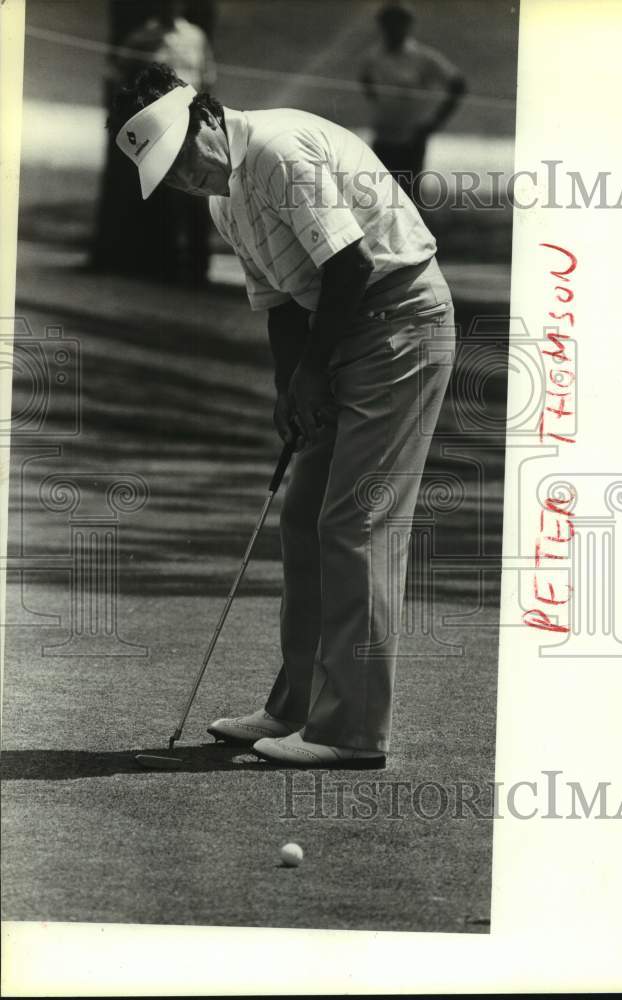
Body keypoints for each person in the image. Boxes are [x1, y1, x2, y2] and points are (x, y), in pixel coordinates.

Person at [109, 64, 456, 769]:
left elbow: (353, 265)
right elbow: (277, 305)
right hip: (341, 332)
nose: (183, 179)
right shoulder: (224, 200)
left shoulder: (275, 149)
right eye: (167, 175)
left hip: (399, 324)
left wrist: (311, 373)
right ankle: (298, 705)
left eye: (182, 158)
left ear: (206, 117)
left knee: (354, 521)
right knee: (305, 516)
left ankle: (351, 730)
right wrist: (287, 390)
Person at [93, 1, 216, 284]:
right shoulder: (143, 36)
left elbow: (208, 76)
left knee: (197, 193)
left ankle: (199, 266)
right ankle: (169, 264)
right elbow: (116, 73)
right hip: (159, 126)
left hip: (190, 122)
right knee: (167, 195)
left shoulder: (195, 36)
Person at [360, 1, 467, 203]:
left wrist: (434, 122)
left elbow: (458, 84)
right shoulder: (373, 57)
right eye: (388, 24)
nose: (392, 29)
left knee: (409, 198)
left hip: (411, 139)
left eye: (398, 23)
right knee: (380, 197)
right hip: (383, 137)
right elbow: (366, 81)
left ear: (407, 25)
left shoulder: (422, 57)